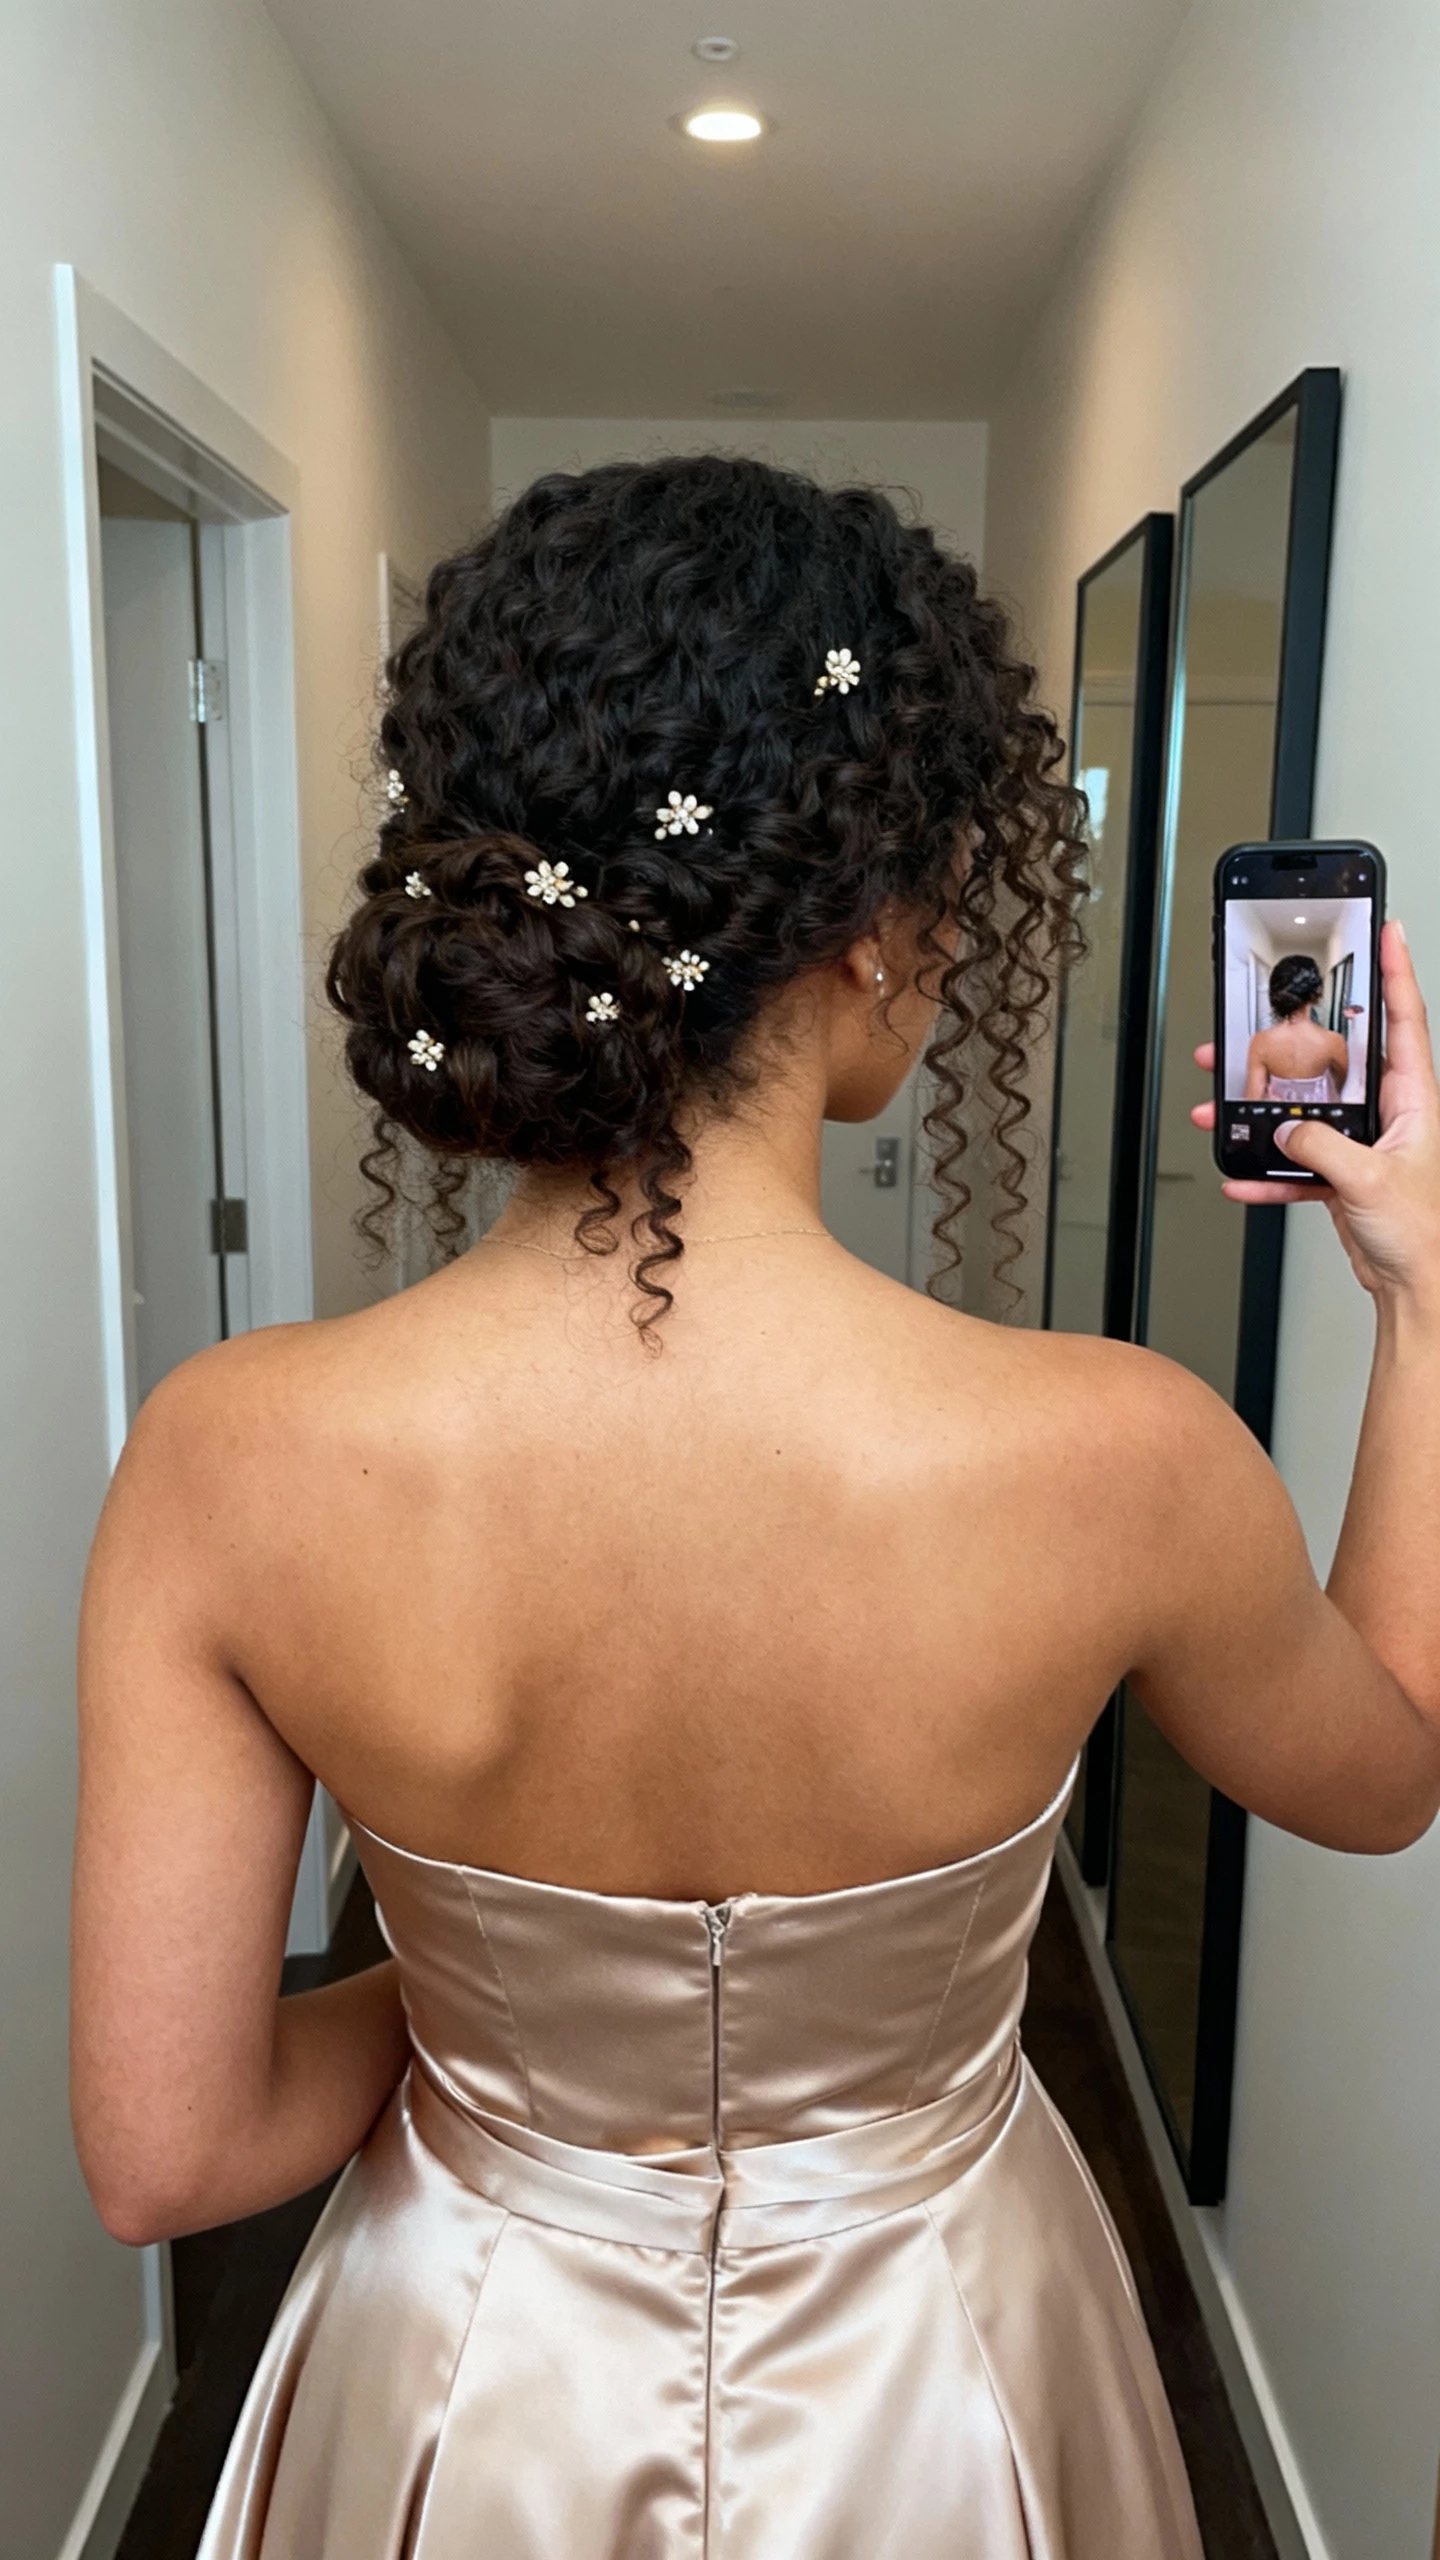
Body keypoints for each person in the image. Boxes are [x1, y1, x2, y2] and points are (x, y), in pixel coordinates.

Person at [71, 457, 1440, 2560]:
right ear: (884, 928)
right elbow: (1386, 1772)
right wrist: (1423, 1297)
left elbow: (167, 2150)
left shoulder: (230, 1451)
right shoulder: (1124, 1452)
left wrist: (501, 2018)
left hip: (467, 2382)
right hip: (945, 2365)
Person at [1244, 949, 1351, 1101]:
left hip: (1277, 1120)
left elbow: (1253, 1098)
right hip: (1319, 1118)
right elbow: (1339, 1085)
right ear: (1316, 994)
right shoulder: (1334, 1041)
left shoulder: (1260, 1042)